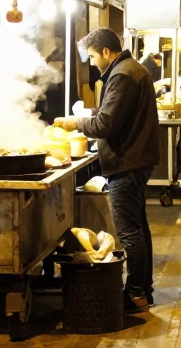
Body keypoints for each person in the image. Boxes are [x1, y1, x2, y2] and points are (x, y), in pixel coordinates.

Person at [57, 28, 160, 312]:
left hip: (128, 163)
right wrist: (88, 115)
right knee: (138, 228)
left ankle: (136, 294)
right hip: (136, 160)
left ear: (105, 52)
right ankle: (143, 291)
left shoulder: (123, 75)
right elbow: (112, 114)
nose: (91, 63)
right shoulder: (128, 69)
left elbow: (105, 125)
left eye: (92, 56)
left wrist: (76, 124)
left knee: (129, 232)